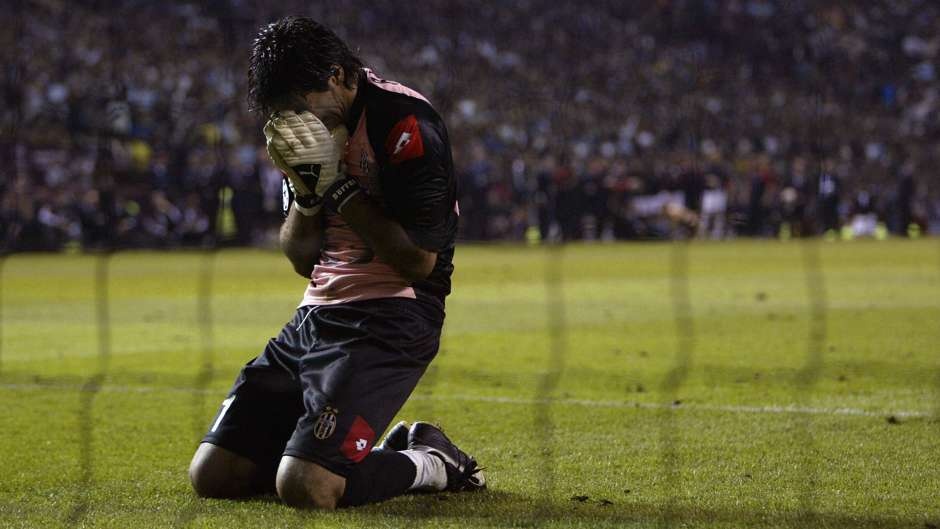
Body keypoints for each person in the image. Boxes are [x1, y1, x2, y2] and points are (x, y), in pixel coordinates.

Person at [188, 16, 484, 510]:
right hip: (315, 314)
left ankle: (432, 462)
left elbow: (418, 261)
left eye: (299, 108)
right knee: (214, 474)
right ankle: (320, 450)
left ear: (339, 77)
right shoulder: (301, 131)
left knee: (307, 485)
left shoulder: (405, 122)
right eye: (281, 113)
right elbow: (302, 259)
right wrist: (307, 196)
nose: (294, 122)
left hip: (394, 315)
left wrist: (335, 187)